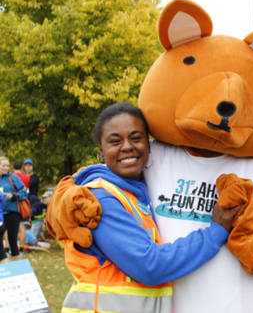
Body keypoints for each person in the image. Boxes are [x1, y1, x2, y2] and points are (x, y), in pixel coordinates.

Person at [59, 103, 240, 312]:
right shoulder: (99, 199)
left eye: (136, 138)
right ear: (101, 150)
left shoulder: (141, 190)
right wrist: (216, 232)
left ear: (149, 144)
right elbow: (148, 266)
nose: (127, 146)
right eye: (115, 141)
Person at [0, 156, 29, 261]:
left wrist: (13, 196)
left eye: (7, 165)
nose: (5, 168)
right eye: (3, 165)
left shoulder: (13, 177)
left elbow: (24, 193)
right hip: (0, 214)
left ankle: (16, 268)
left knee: (12, 240)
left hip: (12, 212)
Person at [12, 159, 31, 254]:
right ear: (22, 167)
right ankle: (22, 249)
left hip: (13, 203)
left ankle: (11, 248)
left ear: (12, 167)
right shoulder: (27, 178)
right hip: (23, 204)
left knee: (11, 228)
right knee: (22, 227)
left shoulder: (10, 177)